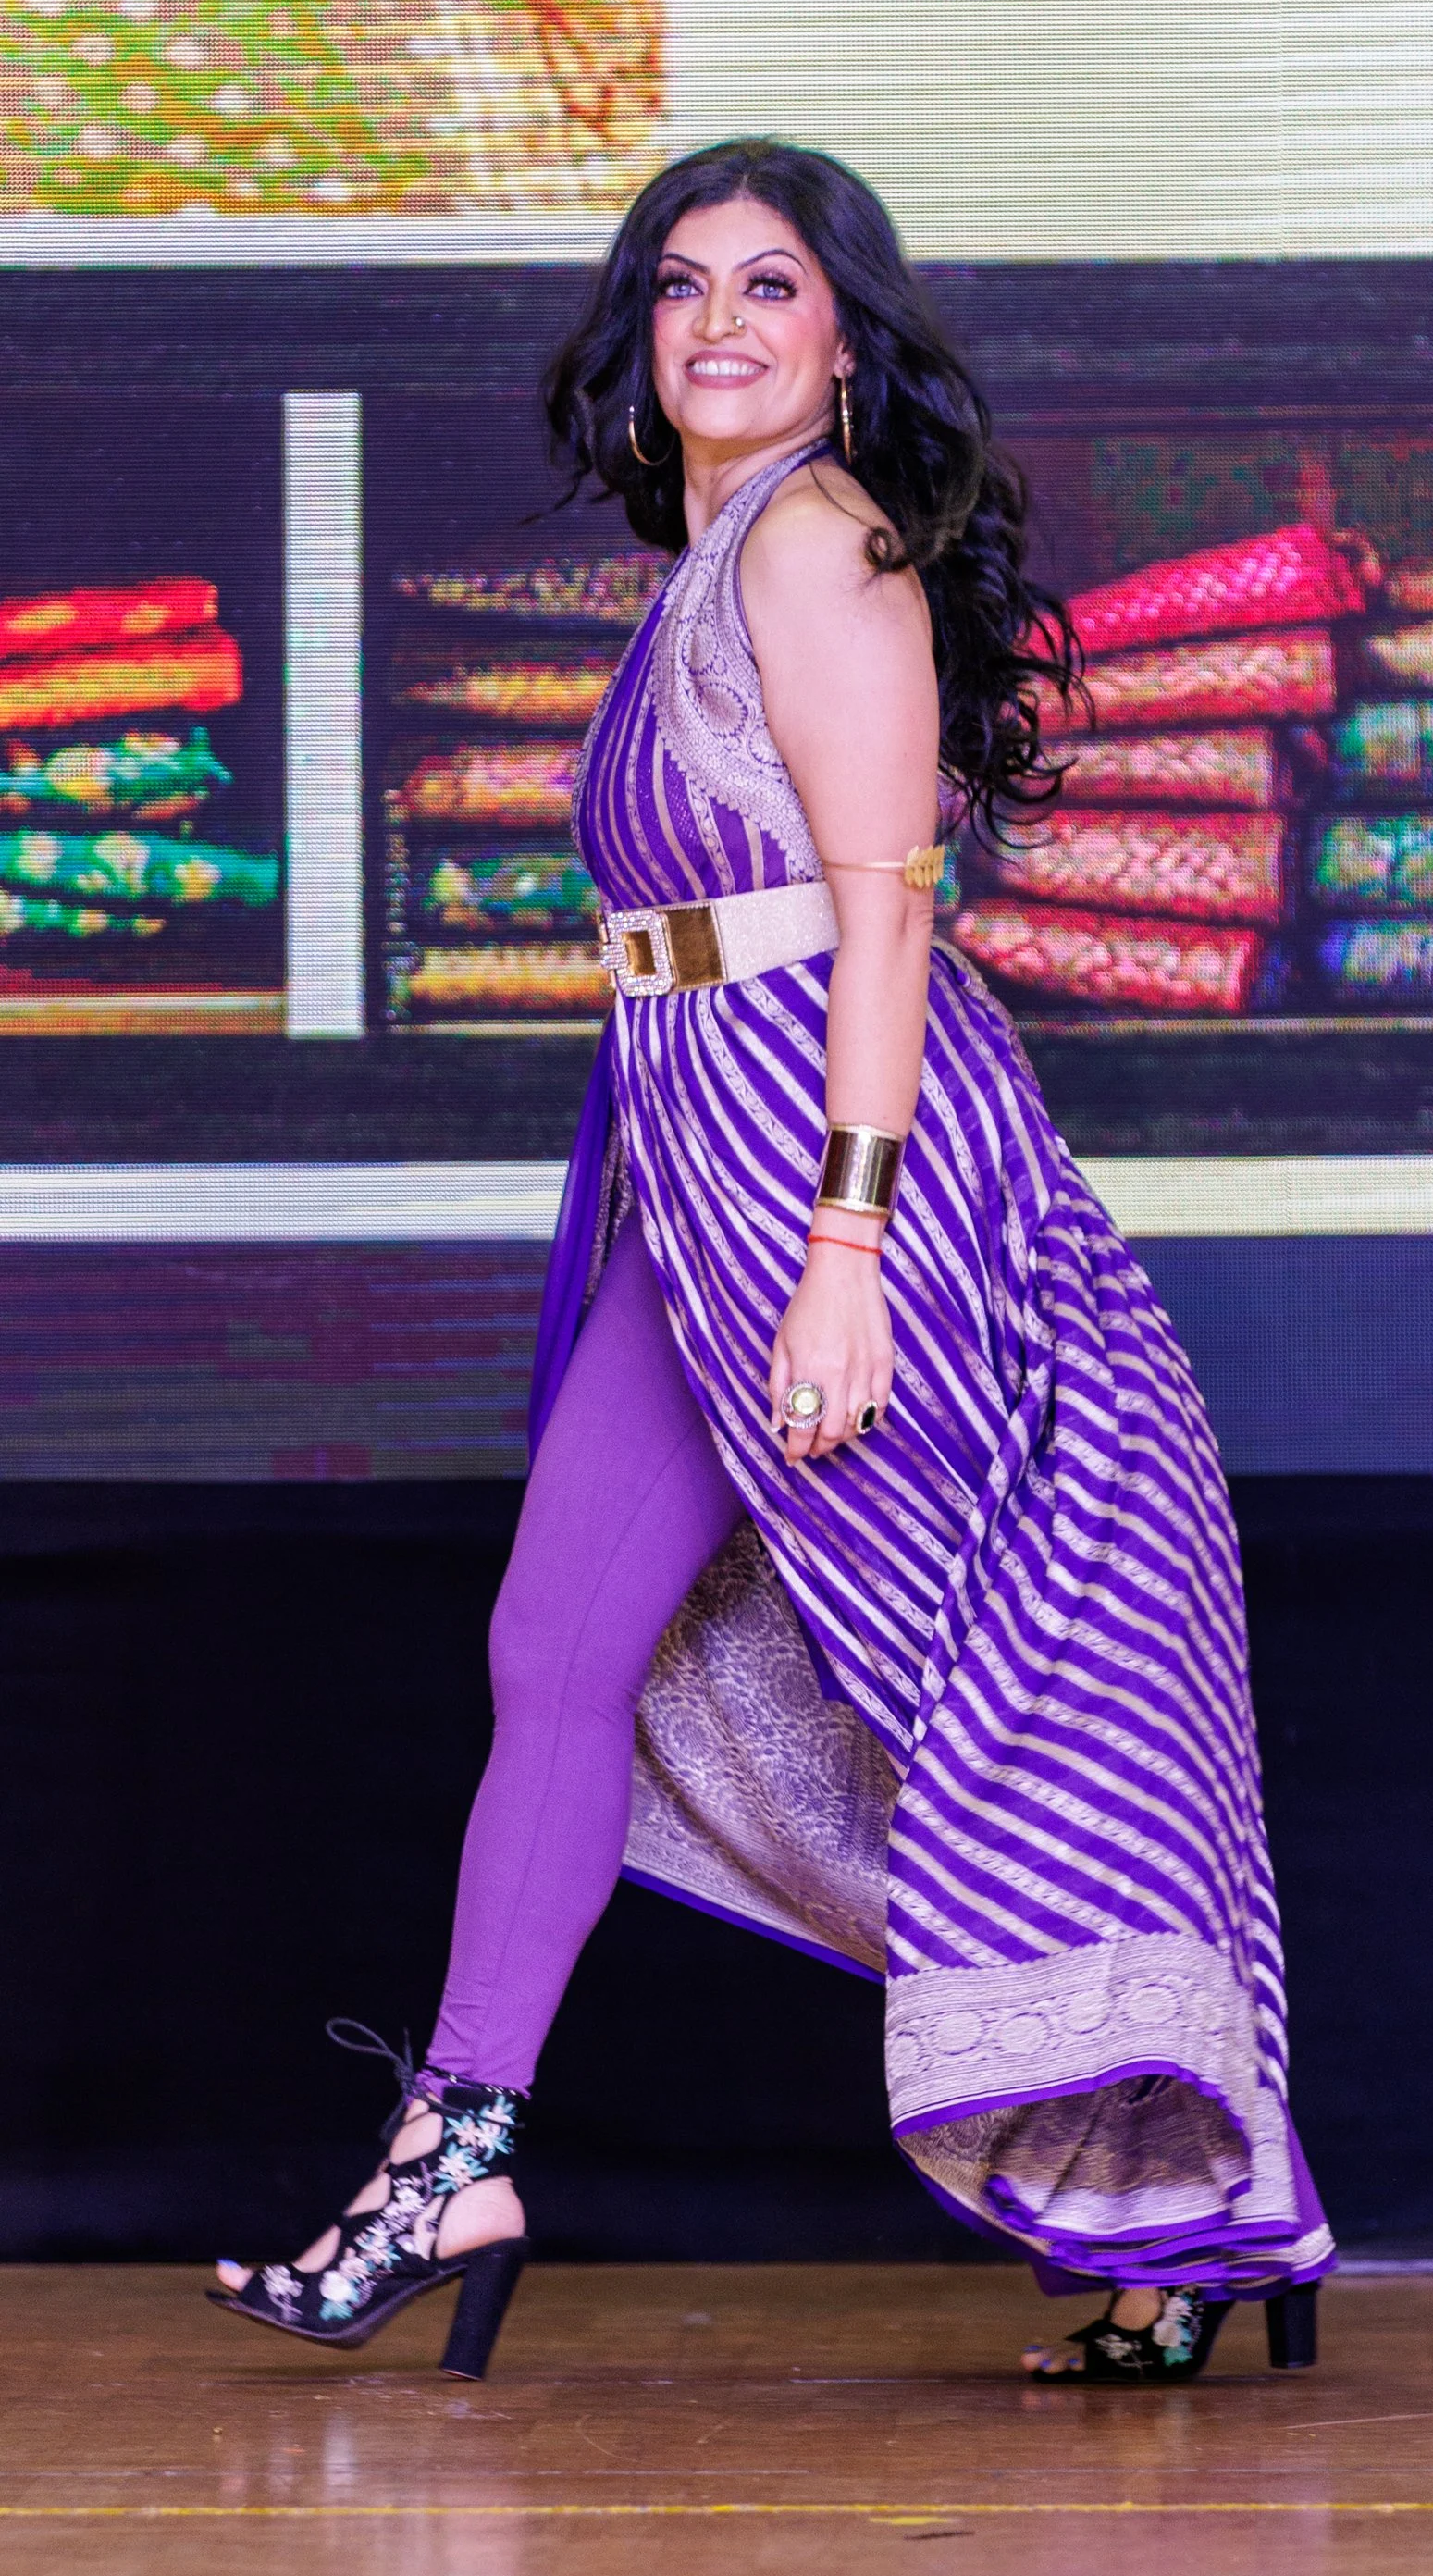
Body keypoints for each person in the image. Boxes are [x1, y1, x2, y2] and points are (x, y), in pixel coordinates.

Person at [210, 139, 1331, 2384]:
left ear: (843, 338)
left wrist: (847, 1247)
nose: (719, 321)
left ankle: (1173, 2214)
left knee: (996, 1696)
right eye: (681, 287)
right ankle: (454, 2150)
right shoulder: (709, 550)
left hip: (851, 1180)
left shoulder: (821, 542)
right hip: (695, 1159)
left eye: (773, 285)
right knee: (559, 1647)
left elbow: (884, 910)